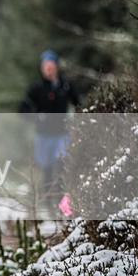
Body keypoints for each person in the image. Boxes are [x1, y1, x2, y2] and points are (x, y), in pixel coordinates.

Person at [19, 49, 80, 214]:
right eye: (45, 66)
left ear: (56, 67)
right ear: (41, 68)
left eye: (51, 65)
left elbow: (78, 105)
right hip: (43, 136)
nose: (48, 69)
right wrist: (37, 118)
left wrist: (78, 122)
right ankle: (47, 206)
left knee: (61, 167)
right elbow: (22, 109)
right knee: (46, 170)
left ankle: (62, 206)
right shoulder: (37, 88)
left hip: (62, 134)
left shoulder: (65, 86)